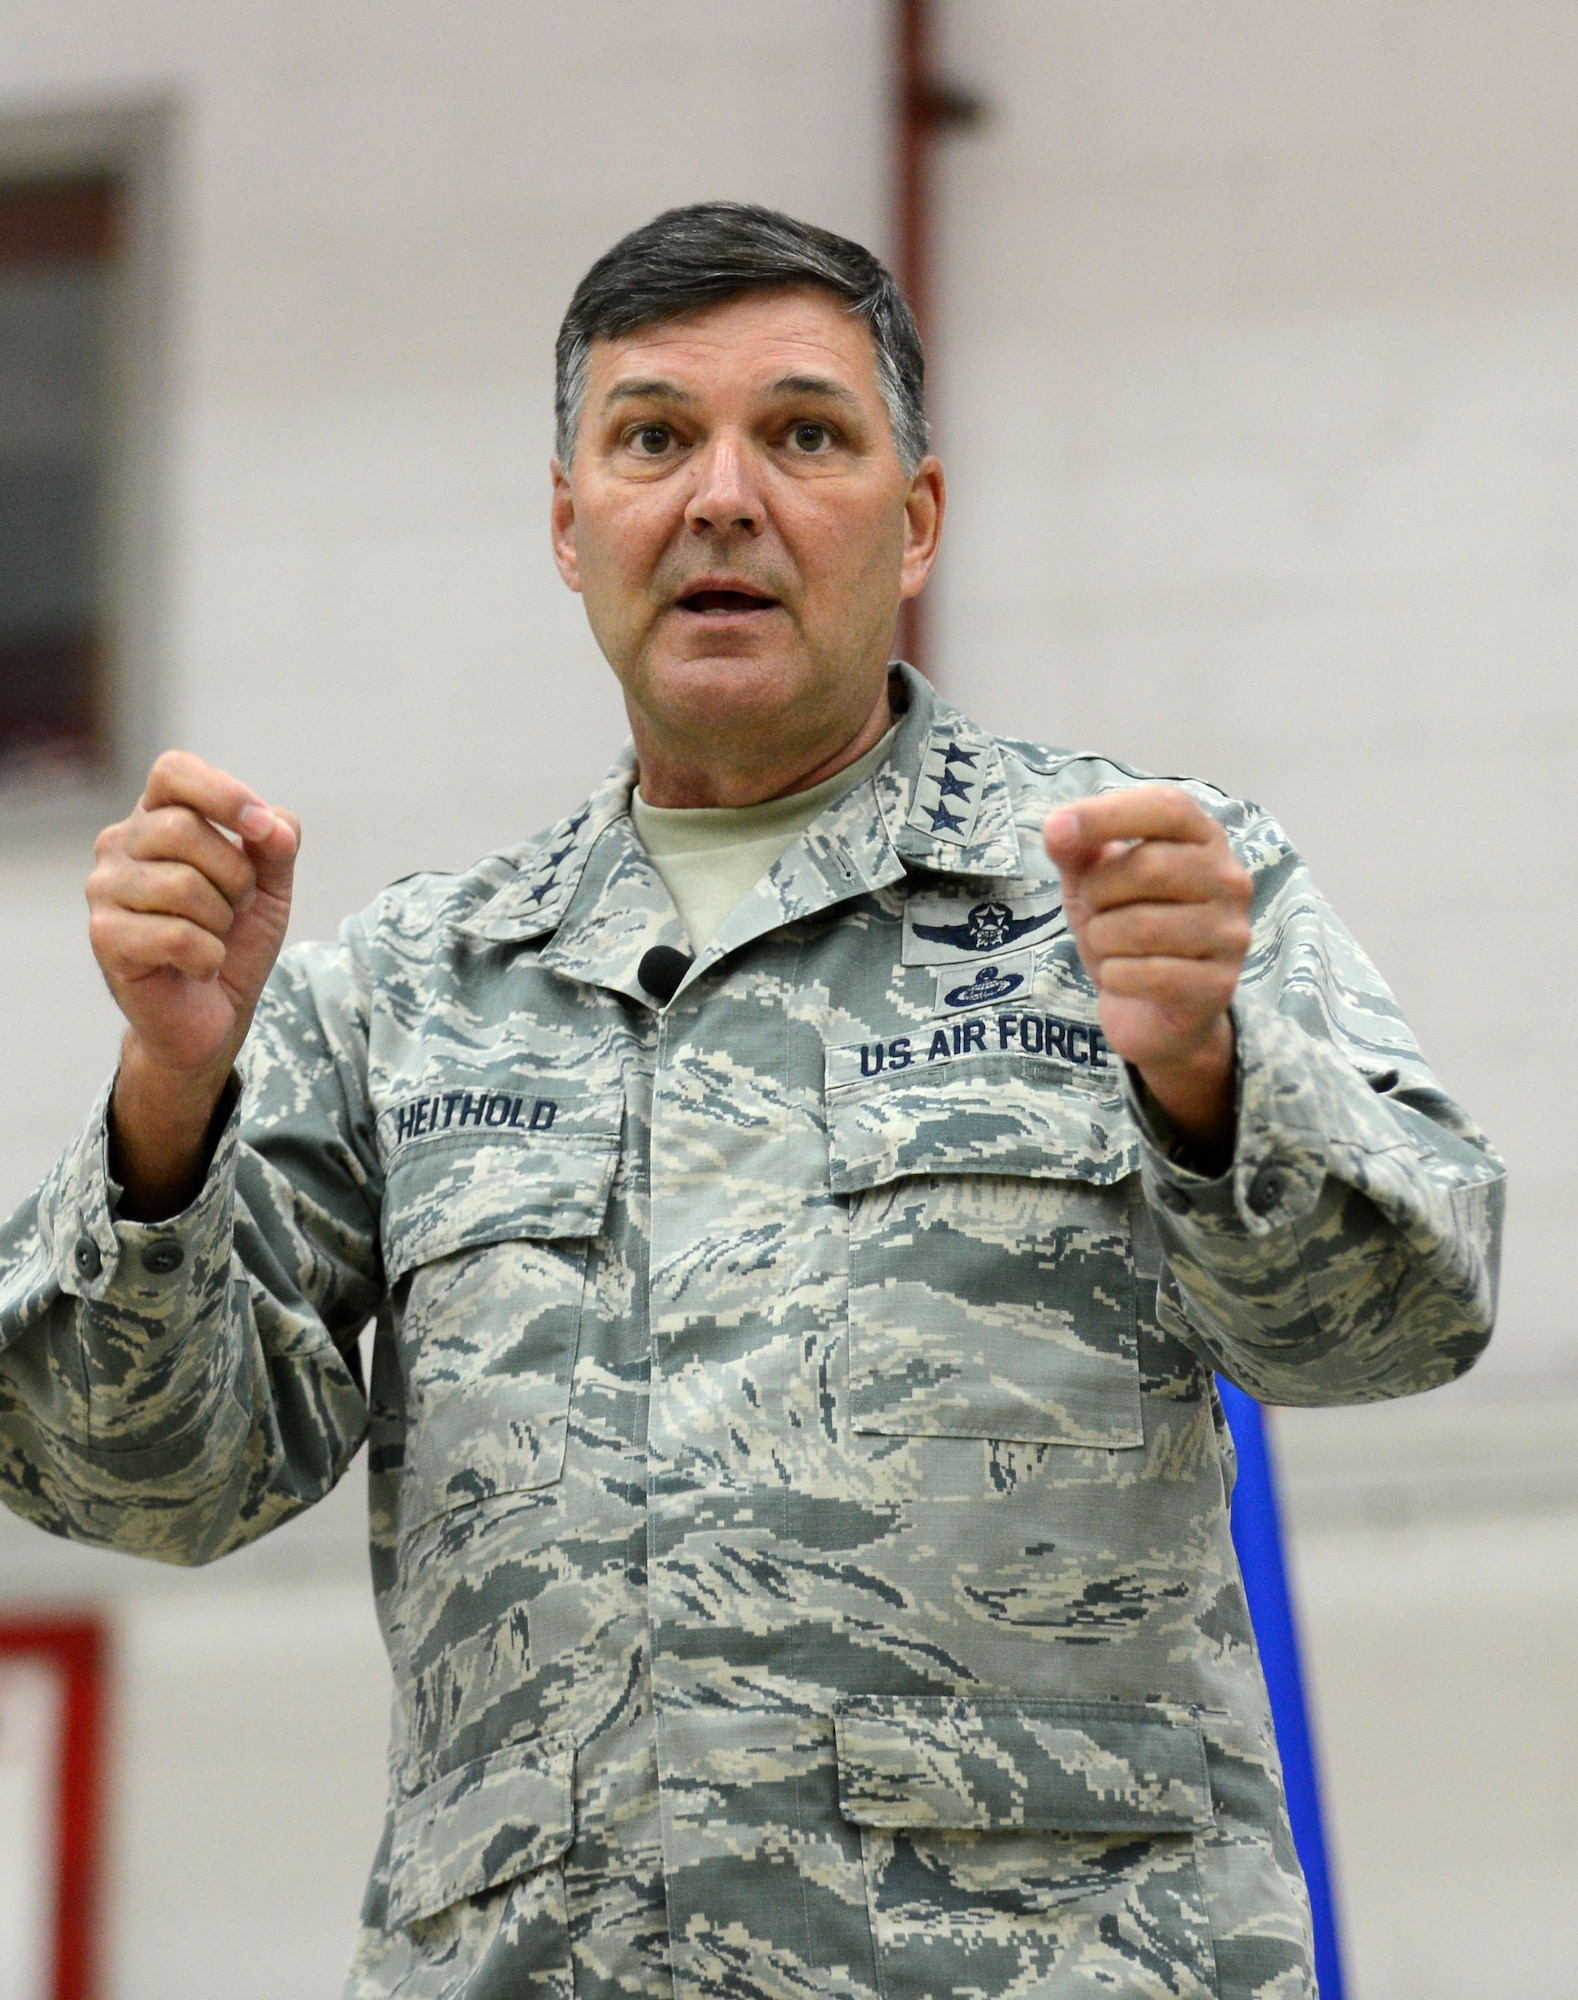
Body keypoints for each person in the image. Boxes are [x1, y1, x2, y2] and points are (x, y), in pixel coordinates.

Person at [0, 204, 1502, 2000]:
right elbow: (137, 1483)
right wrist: (171, 1093)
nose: (722, 497)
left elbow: (1404, 1326)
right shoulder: (407, 989)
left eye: (803, 434)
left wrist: (1202, 1075)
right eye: (650, 438)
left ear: (916, 517)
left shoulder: (1139, 894)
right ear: (569, 527)